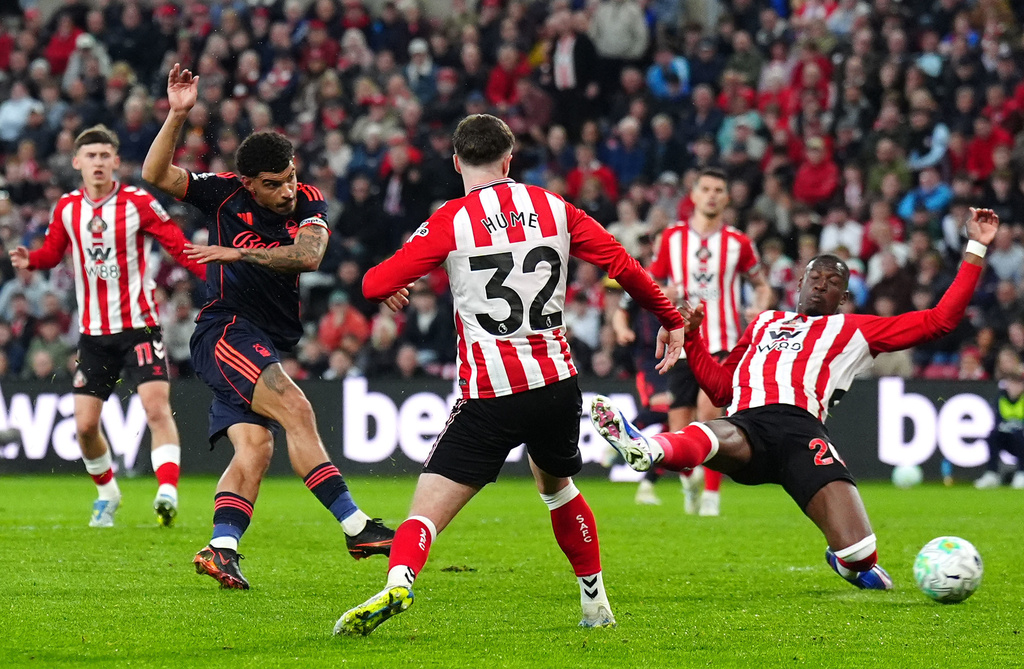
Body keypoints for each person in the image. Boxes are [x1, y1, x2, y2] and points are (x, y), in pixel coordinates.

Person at [335, 114, 686, 636]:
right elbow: (622, 264)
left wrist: (384, 285)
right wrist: (671, 319)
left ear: (456, 162)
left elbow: (372, 283)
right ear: (509, 158)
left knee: (427, 508)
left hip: (492, 393)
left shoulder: (452, 219)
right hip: (557, 384)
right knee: (559, 490)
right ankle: (595, 604)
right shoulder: (554, 207)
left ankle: (400, 581)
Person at [590, 207, 999, 591]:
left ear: (842, 298)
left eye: (834, 281)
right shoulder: (765, 322)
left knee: (860, 554)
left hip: (803, 434)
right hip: (749, 425)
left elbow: (941, 320)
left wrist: (976, 247)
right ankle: (648, 448)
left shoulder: (855, 330)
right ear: (799, 283)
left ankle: (844, 562)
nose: (822, 283)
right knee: (712, 432)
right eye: (815, 276)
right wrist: (694, 340)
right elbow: (721, 389)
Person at [142, 64, 394, 590]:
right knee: (298, 408)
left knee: (255, 450)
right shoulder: (222, 194)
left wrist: (236, 251)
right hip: (226, 330)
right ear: (249, 184)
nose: (288, 191)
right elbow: (155, 176)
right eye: (274, 185)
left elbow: (309, 256)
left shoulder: (309, 201)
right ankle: (356, 527)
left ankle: (221, 549)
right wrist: (178, 114)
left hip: (258, 338)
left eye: (291, 178)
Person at [9, 124, 203, 528]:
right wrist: (33, 260)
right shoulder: (67, 207)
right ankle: (107, 492)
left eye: (104, 156)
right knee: (84, 426)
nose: (97, 163)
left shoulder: (138, 203)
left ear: (115, 161)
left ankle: (166, 490)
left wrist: (214, 273)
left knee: (155, 408)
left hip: (141, 326)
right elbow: (52, 252)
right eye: (90, 156)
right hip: (94, 334)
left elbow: (178, 247)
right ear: (77, 162)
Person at [641, 168, 773, 514]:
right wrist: (663, 292)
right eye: (706, 189)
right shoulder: (671, 238)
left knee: (710, 412)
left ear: (727, 198)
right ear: (694, 195)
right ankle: (690, 484)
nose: (712, 195)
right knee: (679, 426)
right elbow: (650, 282)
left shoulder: (739, 243)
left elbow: (762, 285)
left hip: (724, 340)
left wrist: (759, 305)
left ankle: (712, 497)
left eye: (719, 190)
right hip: (681, 339)